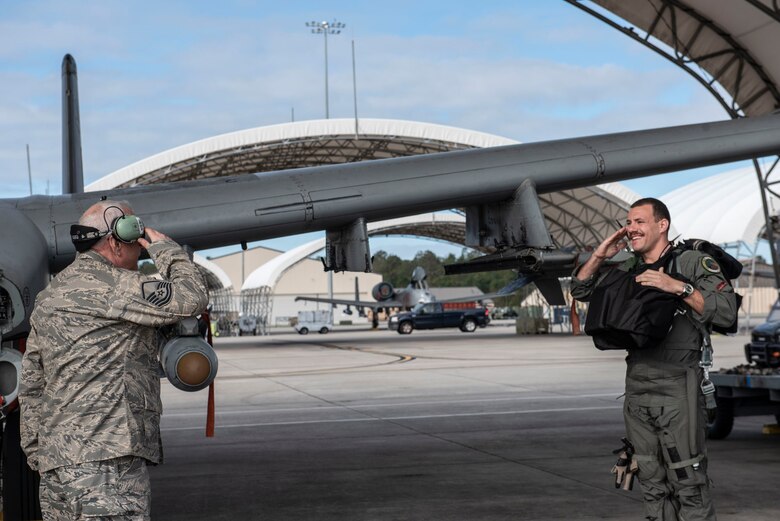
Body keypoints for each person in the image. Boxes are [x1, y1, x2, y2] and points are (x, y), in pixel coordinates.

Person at [19, 200, 209, 520]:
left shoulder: (49, 296)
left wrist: (39, 454)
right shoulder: (116, 286)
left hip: (56, 470)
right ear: (115, 242)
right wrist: (166, 250)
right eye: (135, 241)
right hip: (107, 466)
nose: (139, 250)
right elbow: (192, 297)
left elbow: (32, 382)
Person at [571, 197, 736, 521]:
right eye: (628, 222)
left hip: (678, 386)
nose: (631, 228)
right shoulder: (629, 268)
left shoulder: (691, 262)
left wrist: (678, 287)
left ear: (663, 225)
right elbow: (581, 290)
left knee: (688, 480)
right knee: (651, 480)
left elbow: (726, 313)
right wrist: (600, 256)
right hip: (638, 385)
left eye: (639, 221)